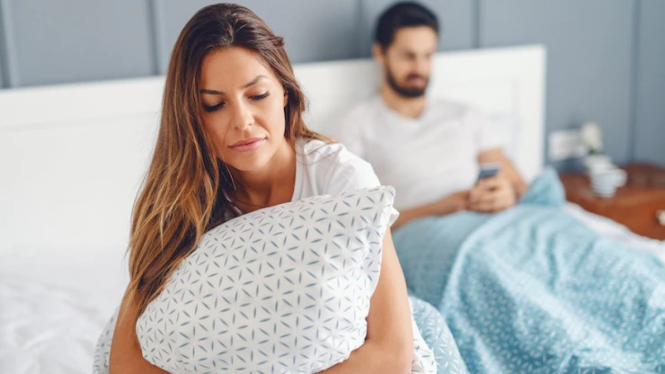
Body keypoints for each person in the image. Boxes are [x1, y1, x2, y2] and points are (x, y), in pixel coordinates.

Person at [108, 4, 415, 373]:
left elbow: (392, 350)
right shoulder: (178, 204)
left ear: (285, 92)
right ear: (191, 117)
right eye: (214, 105)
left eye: (257, 96)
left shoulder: (343, 181)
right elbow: (125, 361)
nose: (242, 121)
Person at [334, 2, 528, 230]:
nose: (420, 68)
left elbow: (519, 185)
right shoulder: (356, 126)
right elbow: (354, 222)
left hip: (488, 224)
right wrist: (442, 207)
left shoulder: (466, 115)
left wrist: (507, 194)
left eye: (427, 56)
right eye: (408, 56)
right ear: (380, 53)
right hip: (422, 234)